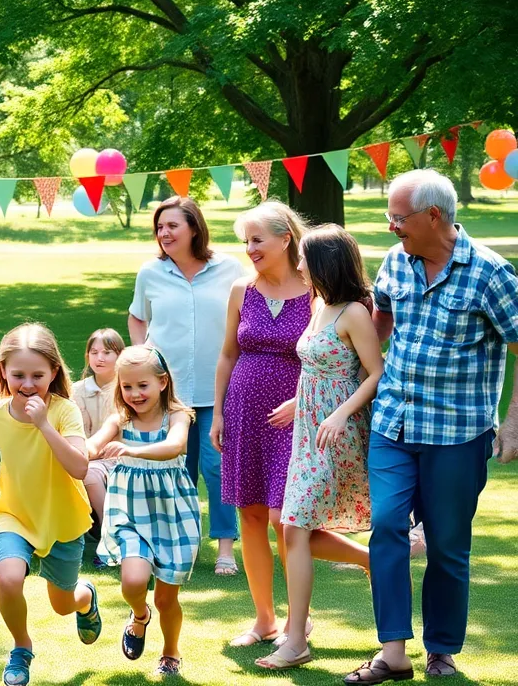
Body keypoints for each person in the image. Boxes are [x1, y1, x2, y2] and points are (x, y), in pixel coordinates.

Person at [345, 170, 518, 684]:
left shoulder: (490, 273)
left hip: (458, 435)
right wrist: (361, 381)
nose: (391, 226)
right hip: (393, 424)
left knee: (445, 543)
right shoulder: (395, 262)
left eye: (398, 217)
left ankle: (441, 648)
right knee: (388, 528)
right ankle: (393, 652)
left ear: (433, 216)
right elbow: (381, 317)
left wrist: (512, 423)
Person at [256, 225, 379, 671]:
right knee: (293, 526)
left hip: (336, 433)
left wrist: (340, 413)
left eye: (305, 258)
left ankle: (295, 640)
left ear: (324, 262)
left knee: (294, 525)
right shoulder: (319, 305)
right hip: (307, 428)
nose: (299, 265)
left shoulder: (353, 313)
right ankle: (372, 561)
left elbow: (374, 373)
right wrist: (298, 401)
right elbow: (317, 365)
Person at [0, 323, 102, 686]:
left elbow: (80, 467)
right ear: (3, 371)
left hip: (62, 520)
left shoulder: (64, 412)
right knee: (9, 578)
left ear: (54, 372)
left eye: (38, 375)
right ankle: (21, 647)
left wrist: (44, 425)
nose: (28, 384)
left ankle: (85, 598)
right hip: (13, 515)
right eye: (18, 375)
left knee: (62, 604)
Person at [213, 200, 311, 648]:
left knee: (283, 518)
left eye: (257, 240)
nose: (249, 249)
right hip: (244, 412)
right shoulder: (241, 290)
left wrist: (304, 400)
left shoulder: (316, 289)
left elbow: (332, 355)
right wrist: (216, 412)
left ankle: (298, 619)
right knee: (250, 514)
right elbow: (228, 354)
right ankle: (263, 619)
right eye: (245, 241)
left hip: (296, 413)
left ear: (285, 238)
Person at [128, 196, 243, 575]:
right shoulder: (150, 272)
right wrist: (143, 354)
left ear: (194, 227)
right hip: (170, 393)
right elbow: (137, 317)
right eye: (160, 227)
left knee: (217, 467)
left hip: (218, 388)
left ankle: (225, 547)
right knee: (178, 469)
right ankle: (182, 543)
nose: (164, 233)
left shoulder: (229, 269)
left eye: (172, 225)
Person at [89, 345, 202, 676]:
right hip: (131, 511)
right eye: (127, 386)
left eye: (143, 385)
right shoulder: (119, 419)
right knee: (133, 581)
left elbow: (174, 447)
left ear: (162, 382)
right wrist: (81, 449)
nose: (134, 393)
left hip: (173, 514)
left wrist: (130, 448)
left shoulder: (177, 415)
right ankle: (140, 615)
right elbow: (93, 445)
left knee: (167, 600)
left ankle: (170, 652)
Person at [74, 327, 125, 562]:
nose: (99, 358)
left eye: (106, 352)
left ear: (120, 355)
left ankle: (111, 540)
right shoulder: (76, 391)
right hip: (82, 455)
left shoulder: (127, 388)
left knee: (91, 475)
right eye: (93, 352)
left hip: (118, 457)